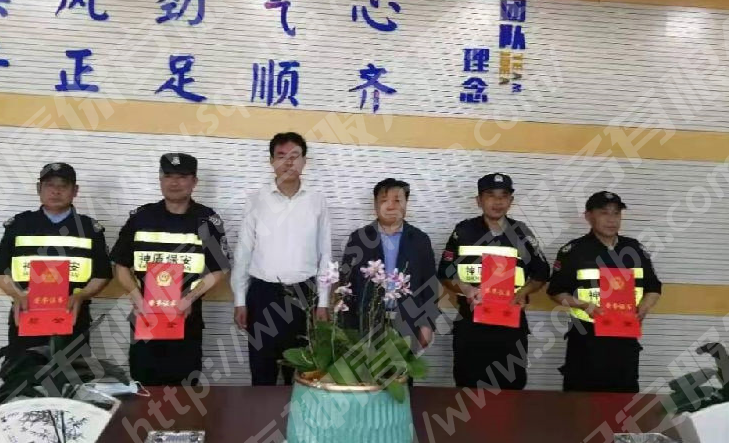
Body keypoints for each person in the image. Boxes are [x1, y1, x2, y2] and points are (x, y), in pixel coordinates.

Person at [111, 153, 230, 386]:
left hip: (187, 319)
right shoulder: (141, 218)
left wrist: (190, 298)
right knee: (144, 386)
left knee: (183, 389)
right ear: (160, 179)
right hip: (145, 318)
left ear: (194, 182)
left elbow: (219, 270)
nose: (174, 182)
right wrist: (137, 297)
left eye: (182, 177)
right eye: (168, 176)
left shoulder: (206, 220)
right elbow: (120, 265)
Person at [232, 132, 332, 386]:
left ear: (304, 161)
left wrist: (323, 301)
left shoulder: (317, 201)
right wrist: (240, 300)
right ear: (271, 161)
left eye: (295, 156)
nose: (288, 162)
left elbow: (325, 252)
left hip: (304, 295)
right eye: (281, 156)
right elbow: (243, 252)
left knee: (301, 374)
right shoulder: (256, 200)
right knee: (262, 371)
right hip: (263, 295)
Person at [438, 173, 550, 389]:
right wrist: (466, 289)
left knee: (511, 387)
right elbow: (445, 272)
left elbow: (542, 273)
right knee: (468, 385)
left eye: (503, 196)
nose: (497, 202)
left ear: (511, 201)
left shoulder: (521, 233)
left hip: (511, 323)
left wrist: (523, 292)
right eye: (490, 195)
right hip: (471, 321)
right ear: (478, 200)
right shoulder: (464, 231)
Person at [0, 163, 112, 357]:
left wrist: (81, 295)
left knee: (73, 372)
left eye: (63, 186)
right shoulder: (20, 225)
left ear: (75, 190)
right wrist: (17, 294)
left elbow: (102, 274)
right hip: (27, 315)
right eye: (50, 185)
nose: (56, 191)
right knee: (25, 371)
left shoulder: (89, 228)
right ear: (39, 188)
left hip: (73, 316)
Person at [547, 191, 662, 393]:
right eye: (604, 213)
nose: (611, 220)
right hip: (586, 339)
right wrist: (584, 305)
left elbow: (653, 287)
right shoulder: (574, 251)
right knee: (580, 401)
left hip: (625, 340)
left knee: (623, 400)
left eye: (616, 213)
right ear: (588, 216)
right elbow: (556, 291)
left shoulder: (634, 249)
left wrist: (644, 307)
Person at [340, 178, 439, 349]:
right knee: (366, 366)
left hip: (408, 322)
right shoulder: (359, 238)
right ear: (375, 205)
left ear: (406, 204)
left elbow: (430, 285)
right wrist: (346, 326)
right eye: (384, 201)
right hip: (366, 323)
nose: (391, 207)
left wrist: (428, 323)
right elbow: (346, 282)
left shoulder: (420, 240)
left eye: (397, 201)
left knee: (403, 366)